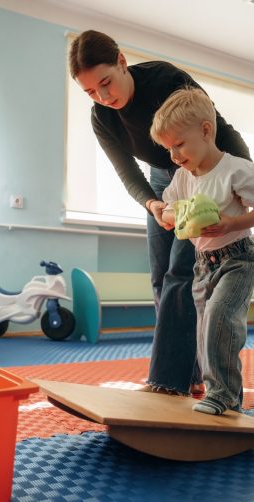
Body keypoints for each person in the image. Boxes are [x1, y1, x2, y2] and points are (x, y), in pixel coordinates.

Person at [69, 30, 252, 396]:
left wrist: (234, 176)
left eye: (105, 83)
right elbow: (127, 172)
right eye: (91, 92)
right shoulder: (101, 117)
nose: (103, 97)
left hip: (201, 166)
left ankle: (167, 381)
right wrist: (153, 205)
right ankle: (191, 372)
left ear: (122, 62)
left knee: (182, 272)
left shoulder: (165, 79)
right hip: (161, 179)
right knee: (160, 276)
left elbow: (213, 128)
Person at [150, 87, 254, 414]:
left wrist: (230, 224)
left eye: (179, 145)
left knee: (220, 318)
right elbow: (167, 209)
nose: (175, 155)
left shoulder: (235, 170)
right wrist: (171, 214)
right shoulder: (183, 177)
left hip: (238, 259)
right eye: (168, 149)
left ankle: (223, 396)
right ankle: (219, 395)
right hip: (202, 266)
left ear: (206, 131)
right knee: (204, 329)